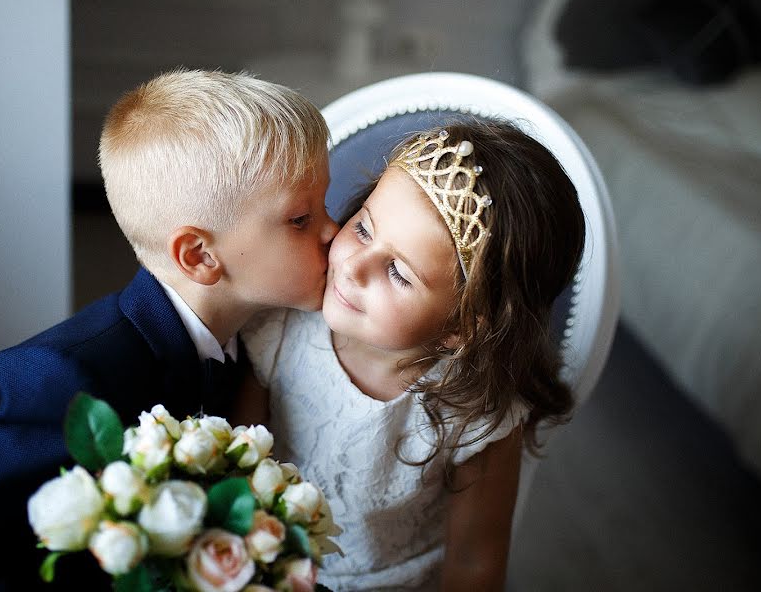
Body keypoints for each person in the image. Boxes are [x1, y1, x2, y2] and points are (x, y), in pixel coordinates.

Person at [0, 69, 337, 590]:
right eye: (301, 218)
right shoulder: (57, 379)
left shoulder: (250, 347)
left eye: (326, 203)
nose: (333, 230)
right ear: (200, 255)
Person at [241, 118, 586, 590]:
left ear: (461, 327)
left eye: (399, 273)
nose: (352, 266)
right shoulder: (278, 330)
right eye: (363, 227)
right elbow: (234, 474)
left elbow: (474, 561)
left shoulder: (475, 414)